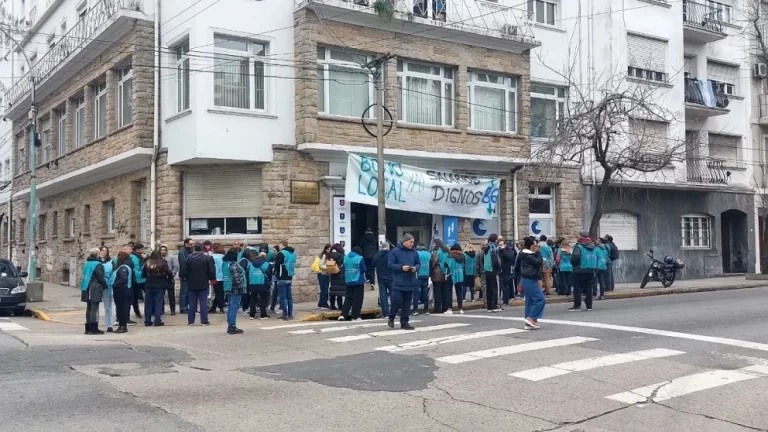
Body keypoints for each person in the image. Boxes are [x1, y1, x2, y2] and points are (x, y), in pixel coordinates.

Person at [387, 233, 420, 330]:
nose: (412, 244)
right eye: (411, 242)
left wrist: (415, 268)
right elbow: (390, 264)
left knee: (407, 303)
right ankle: (391, 316)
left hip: (410, 280)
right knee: (396, 301)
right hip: (398, 280)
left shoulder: (414, 252)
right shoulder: (395, 251)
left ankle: (404, 322)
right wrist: (401, 267)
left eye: (413, 242)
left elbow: (418, 263)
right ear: (405, 241)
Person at [181, 242, 215, 325]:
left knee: (192, 303)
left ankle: (191, 321)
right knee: (203, 303)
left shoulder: (188, 258)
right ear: (202, 248)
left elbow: (183, 271)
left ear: (194, 249)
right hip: (203, 282)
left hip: (192, 283)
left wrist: (187, 278)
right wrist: (211, 278)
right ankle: (204, 320)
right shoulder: (207, 258)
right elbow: (211, 271)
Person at [516, 237, 545, 330]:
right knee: (540, 299)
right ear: (532, 246)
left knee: (530, 301)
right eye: (535, 245)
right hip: (530, 279)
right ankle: (531, 318)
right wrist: (538, 252)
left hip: (527, 279)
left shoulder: (525, 254)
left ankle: (529, 322)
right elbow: (539, 262)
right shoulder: (529, 255)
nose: (537, 247)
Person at [142, 250, 173, 327]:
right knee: (158, 303)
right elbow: (169, 273)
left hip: (149, 284)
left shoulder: (148, 263)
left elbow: (143, 274)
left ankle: (147, 320)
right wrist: (168, 281)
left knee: (148, 303)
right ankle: (157, 320)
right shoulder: (163, 262)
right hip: (160, 284)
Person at [569, 230, 598, 312]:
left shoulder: (578, 246)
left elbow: (576, 257)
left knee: (577, 288)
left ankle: (577, 305)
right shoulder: (593, 246)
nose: (577, 236)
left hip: (579, 269)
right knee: (589, 288)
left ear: (581, 236)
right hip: (591, 269)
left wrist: (573, 263)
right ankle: (589, 306)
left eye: (578, 235)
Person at [81, 248, 108, 335]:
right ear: (97, 255)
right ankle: (94, 328)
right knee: (94, 308)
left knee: (89, 308)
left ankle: (88, 328)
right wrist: (105, 286)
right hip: (94, 287)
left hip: (86, 287)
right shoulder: (97, 264)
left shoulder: (86, 264)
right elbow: (100, 277)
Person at [222, 248, 246, 334]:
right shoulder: (234, 265)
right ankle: (232, 326)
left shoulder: (225, 264)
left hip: (228, 287)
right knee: (234, 307)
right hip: (236, 289)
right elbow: (237, 278)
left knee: (230, 307)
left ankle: (230, 325)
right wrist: (242, 287)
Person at [340, 246, 366, 321]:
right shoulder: (360, 258)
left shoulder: (345, 258)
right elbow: (364, 269)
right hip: (358, 281)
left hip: (348, 280)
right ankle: (355, 316)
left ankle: (343, 315)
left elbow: (343, 269)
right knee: (357, 299)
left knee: (348, 298)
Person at [246, 249, 272, 320]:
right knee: (263, 299)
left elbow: (248, 272)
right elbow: (269, 273)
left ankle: (252, 314)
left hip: (252, 282)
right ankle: (263, 315)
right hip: (262, 282)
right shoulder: (266, 264)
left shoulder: (251, 263)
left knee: (253, 298)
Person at [111, 251, 133, 334]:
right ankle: (121, 325)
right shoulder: (121, 267)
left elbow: (123, 279)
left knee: (122, 308)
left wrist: (114, 284)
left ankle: (123, 326)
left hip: (121, 290)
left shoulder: (123, 267)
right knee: (120, 308)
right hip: (121, 289)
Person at [274, 240, 297, 320]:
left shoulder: (281, 253)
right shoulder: (293, 253)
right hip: (289, 275)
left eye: (279, 244)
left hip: (281, 276)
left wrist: (275, 272)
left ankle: (285, 314)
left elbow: (277, 265)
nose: (279, 246)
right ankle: (290, 314)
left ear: (282, 245)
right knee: (289, 296)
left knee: (283, 297)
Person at [481, 234, 502, 312]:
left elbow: (483, 260)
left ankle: (489, 306)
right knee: (494, 288)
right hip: (493, 270)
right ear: (495, 239)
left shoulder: (486, 247)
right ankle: (494, 306)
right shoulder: (494, 247)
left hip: (487, 269)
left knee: (489, 288)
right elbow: (495, 259)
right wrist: (498, 268)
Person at [430, 239, 451, 314]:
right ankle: (445, 308)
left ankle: (437, 308)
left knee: (437, 292)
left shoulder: (437, 252)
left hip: (438, 274)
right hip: (446, 273)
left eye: (434, 244)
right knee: (444, 292)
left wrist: (432, 268)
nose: (433, 245)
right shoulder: (447, 251)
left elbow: (434, 262)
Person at [372, 242, 392, 318]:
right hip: (391, 278)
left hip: (381, 278)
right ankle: (393, 312)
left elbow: (373, 264)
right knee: (393, 295)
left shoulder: (377, 255)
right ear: (388, 247)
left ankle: (385, 313)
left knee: (383, 296)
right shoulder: (391, 255)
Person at [99, 247, 115, 333]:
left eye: (106, 251)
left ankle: (109, 325)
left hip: (108, 284)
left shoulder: (110, 261)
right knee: (95, 305)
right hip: (98, 284)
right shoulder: (96, 261)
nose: (104, 252)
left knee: (108, 305)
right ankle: (95, 323)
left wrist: (111, 282)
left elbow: (114, 273)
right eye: (102, 250)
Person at [160, 244, 178, 316]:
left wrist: (172, 275)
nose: (163, 252)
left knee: (171, 295)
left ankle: (172, 310)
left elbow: (175, 266)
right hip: (161, 279)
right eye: (161, 250)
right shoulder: (158, 258)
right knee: (161, 295)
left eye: (164, 250)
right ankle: (161, 310)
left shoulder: (171, 257)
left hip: (170, 278)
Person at [447, 243, 466, 314]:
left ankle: (450, 309)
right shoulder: (463, 256)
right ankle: (460, 309)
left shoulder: (450, 256)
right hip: (460, 274)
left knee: (449, 292)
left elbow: (447, 265)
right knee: (459, 292)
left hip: (451, 275)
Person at [178, 238, 195, 314]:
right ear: (186, 244)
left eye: (193, 244)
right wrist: (185, 275)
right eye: (190, 244)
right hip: (185, 274)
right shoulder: (182, 252)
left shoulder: (190, 251)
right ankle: (183, 307)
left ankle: (186, 306)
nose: (192, 245)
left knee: (188, 292)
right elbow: (183, 264)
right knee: (184, 292)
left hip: (190, 274)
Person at [499, 237, 517, 306]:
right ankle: (502, 298)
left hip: (506, 270)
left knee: (505, 285)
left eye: (501, 244)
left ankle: (506, 300)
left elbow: (510, 257)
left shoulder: (508, 249)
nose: (500, 246)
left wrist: (503, 250)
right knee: (501, 286)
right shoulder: (498, 250)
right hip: (500, 270)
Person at [414, 243, 431, 316]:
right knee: (425, 293)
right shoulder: (428, 254)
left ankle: (415, 310)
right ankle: (426, 309)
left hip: (418, 275)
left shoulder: (416, 254)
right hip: (426, 275)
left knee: (416, 293)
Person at [130, 244, 146, 320]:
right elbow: (136, 267)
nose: (143, 250)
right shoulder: (133, 257)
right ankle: (137, 312)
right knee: (135, 297)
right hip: (136, 279)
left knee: (147, 294)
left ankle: (149, 310)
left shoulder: (144, 256)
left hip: (143, 278)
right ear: (136, 250)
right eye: (141, 249)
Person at [328, 244, 346, 310]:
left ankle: (332, 305)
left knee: (333, 290)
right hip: (340, 274)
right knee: (339, 291)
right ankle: (340, 306)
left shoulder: (330, 256)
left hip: (333, 274)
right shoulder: (342, 256)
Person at [209, 243, 226, 314]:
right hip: (224, 277)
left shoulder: (212, 257)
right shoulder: (224, 256)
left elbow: (211, 268)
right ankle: (213, 308)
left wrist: (211, 277)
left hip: (216, 277)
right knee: (220, 293)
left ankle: (221, 308)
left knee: (217, 293)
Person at [315, 244, 331, 310]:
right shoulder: (324, 255)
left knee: (324, 289)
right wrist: (328, 267)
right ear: (326, 249)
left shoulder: (327, 255)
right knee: (324, 290)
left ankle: (321, 303)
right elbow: (321, 265)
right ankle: (324, 304)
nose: (330, 251)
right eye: (329, 249)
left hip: (325, 275)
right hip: (322, 274)